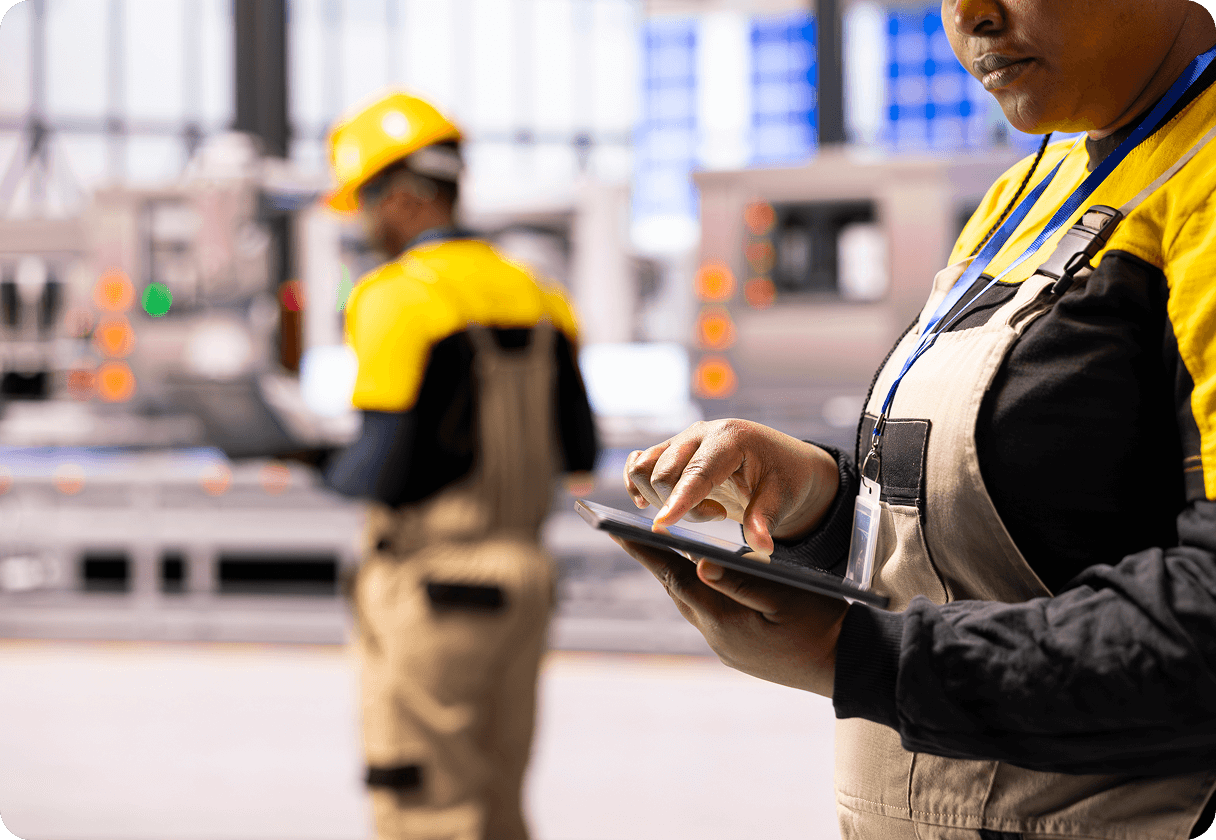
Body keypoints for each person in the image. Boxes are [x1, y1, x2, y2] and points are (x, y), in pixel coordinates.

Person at [617, 1, 1216, 838]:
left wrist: (854, 655)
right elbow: (1033, 514)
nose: (970, 13)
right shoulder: (1037, 184)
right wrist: (817, 500)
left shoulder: (1199, 184)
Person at [321, 91, 599, 840]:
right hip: (524, 583)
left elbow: (384, 469)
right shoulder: (539, 295)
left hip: (433, 587)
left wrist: (315, 460)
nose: (363, 222)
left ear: (403, 196)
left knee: (426, 807)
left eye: (365, 202)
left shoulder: (393, 297)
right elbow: (579, 448)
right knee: (497, 803)